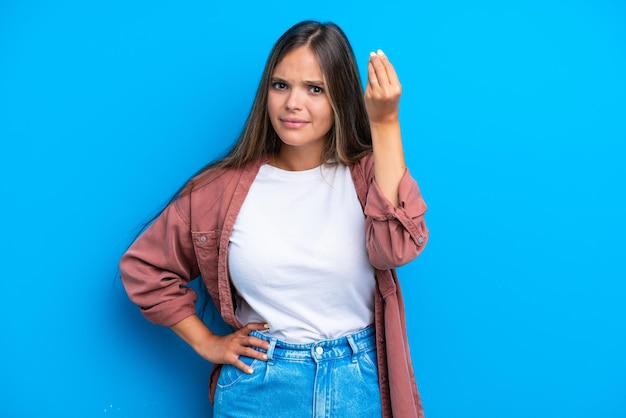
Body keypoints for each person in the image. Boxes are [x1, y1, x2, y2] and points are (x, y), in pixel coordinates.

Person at [119, 20, 429, 418]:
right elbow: (144, 268)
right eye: (280, 85)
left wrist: (385, 122)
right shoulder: (219, 190)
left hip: (360, 383)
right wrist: (208, 342)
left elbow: (398, 247)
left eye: (314, 89)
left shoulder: (367, 177)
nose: (292, 104)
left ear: (341, 98)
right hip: (260, 386)